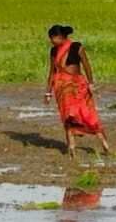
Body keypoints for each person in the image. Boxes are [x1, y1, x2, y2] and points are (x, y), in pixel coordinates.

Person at [44, 25, 111, 158]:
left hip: (78, 86)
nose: (51, 41)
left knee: (88, 114)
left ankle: (104, 142)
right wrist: (48, 92)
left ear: (59, 37)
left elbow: (86, 66)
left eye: (52, 38)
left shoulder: (77, 47)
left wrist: (91, 83)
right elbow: (52, 72)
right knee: (68, 116)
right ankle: (72, 147)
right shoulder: (53, 51)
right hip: (62, 88)